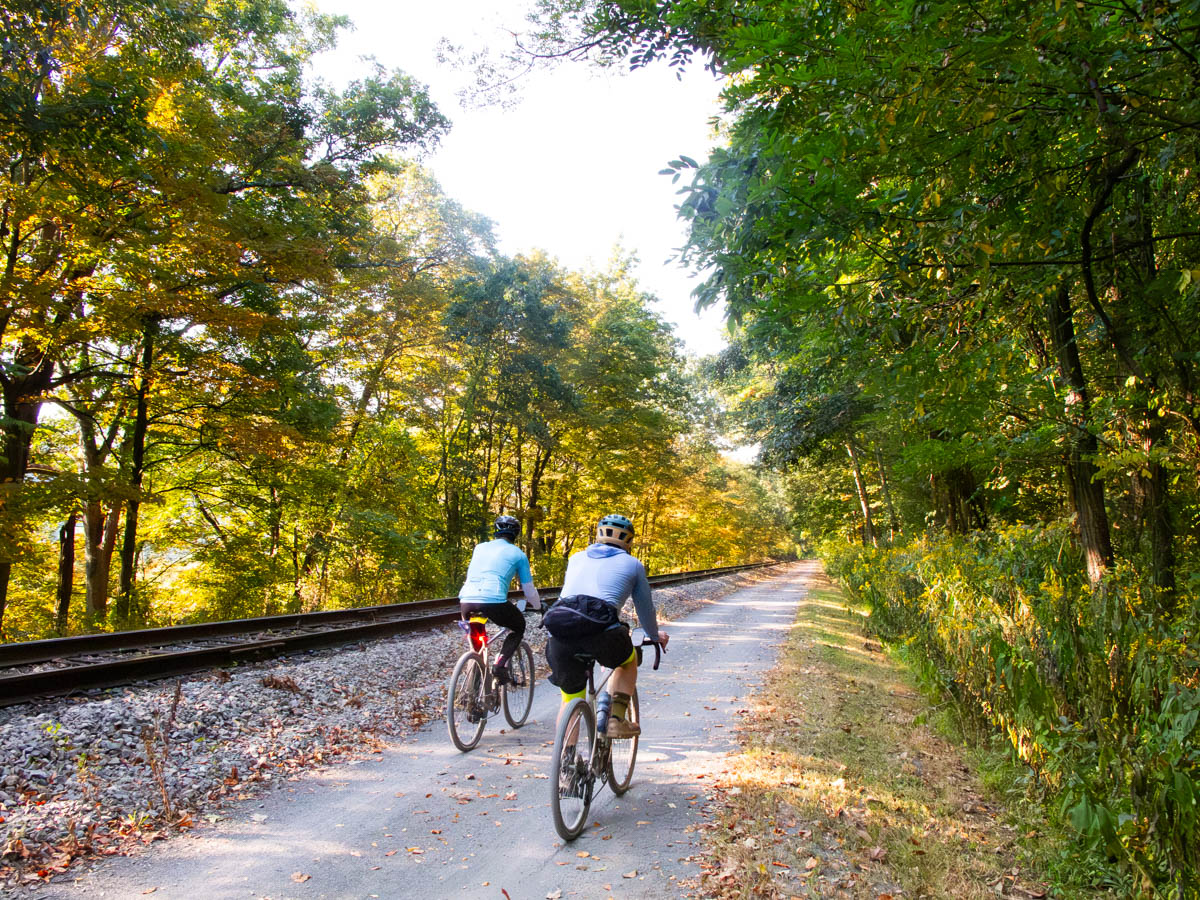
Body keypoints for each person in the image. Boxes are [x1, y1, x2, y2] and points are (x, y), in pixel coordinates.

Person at [544, 513, 669, 738]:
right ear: (629, 541)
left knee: (570, 699)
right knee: (627, 661)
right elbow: (645, 609)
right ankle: (616, 720)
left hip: (561, 635)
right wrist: (654, 635)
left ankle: (566, 764)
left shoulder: (576, 557)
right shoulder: (633, 564)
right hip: (602, 634)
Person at [459, 515, 541, 684]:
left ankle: (472, 698)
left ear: (495, 531)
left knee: (477, 646)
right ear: (516, 534)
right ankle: (500, 664)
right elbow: (528, 590)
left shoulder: (479, 548)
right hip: (493, 600)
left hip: (466, 600)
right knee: (518, 627)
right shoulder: (518, 554)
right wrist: (538, 606)